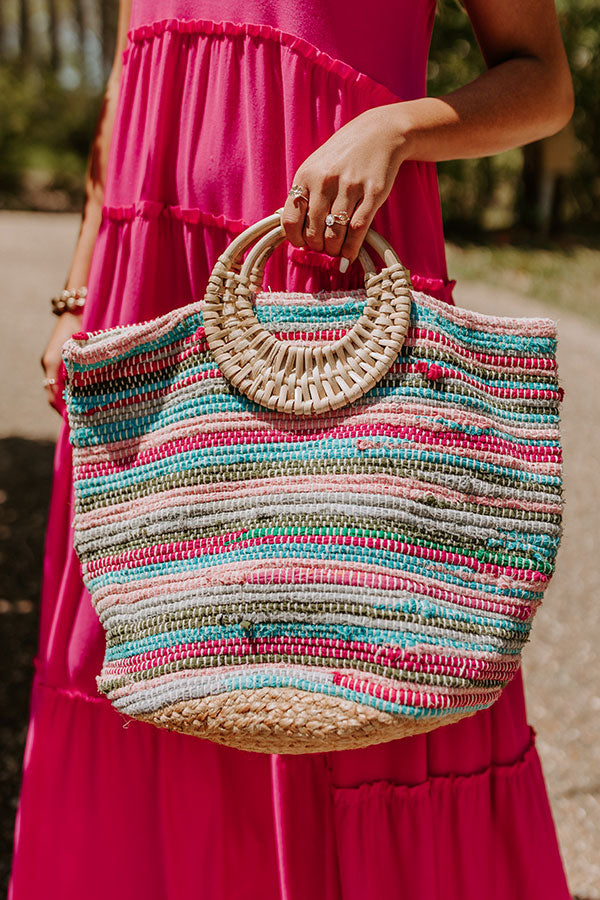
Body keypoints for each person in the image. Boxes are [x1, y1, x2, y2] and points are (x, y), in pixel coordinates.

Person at [11, 1, 574, 897]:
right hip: (147, 280)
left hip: (330, 267)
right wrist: (81, 291)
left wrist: (396, 128)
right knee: (135, 637)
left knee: (374, 643)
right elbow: (129, 70)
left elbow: (543, 80)